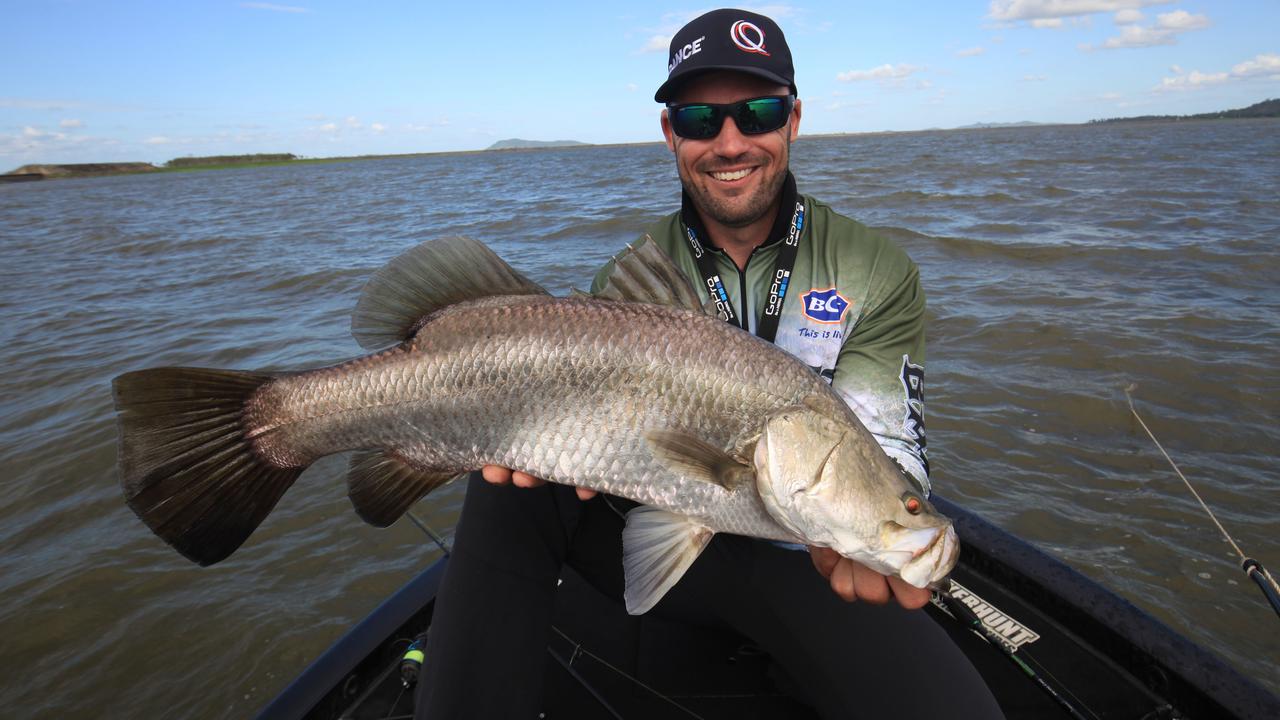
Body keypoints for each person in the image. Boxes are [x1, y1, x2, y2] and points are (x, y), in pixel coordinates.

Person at [415, 9, 1004, 718]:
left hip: (806, 560)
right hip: (665, 523)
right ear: (671, 134)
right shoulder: (631, 280)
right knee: (506, 480)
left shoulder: (876, 271)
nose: (731, 141)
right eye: (700, 119)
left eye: (757, 112)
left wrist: (887, 520)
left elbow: (884, 441)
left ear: (792, 119)